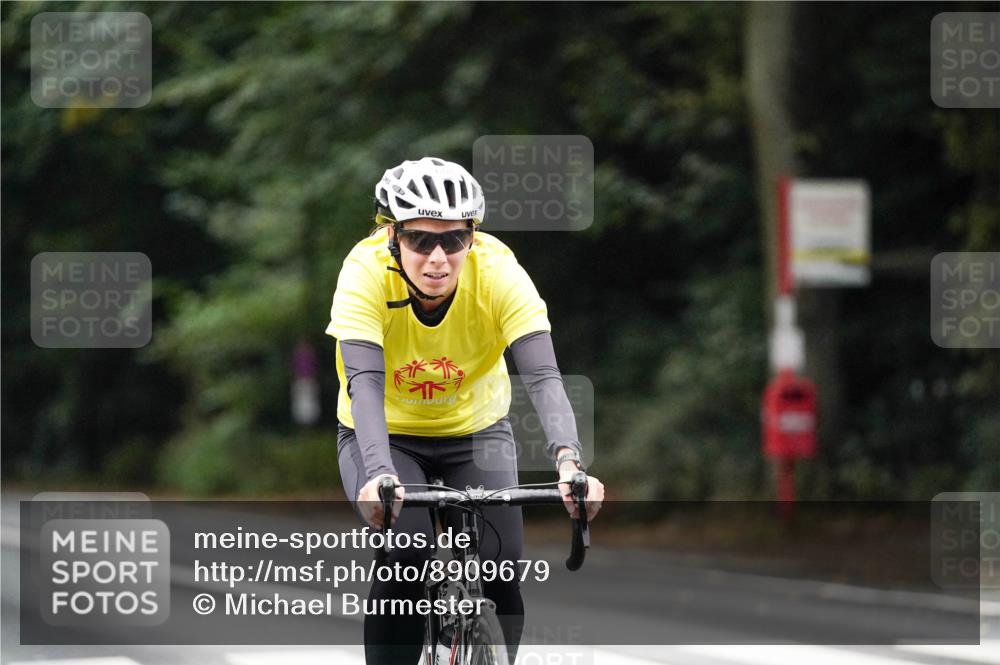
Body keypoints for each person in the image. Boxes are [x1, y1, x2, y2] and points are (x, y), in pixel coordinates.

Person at [327, 156, 604, 665]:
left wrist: (570, 462)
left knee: (502, 572)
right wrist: (380, 474)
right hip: (386, 436)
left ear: (471, 237)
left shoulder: (499, 271)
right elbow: (364, 381)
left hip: (476, 430)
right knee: (406, 557)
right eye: (419, 239)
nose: (438, 257)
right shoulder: (363, 273)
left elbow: (542, 375)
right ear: (391, 234)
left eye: (453, 240)